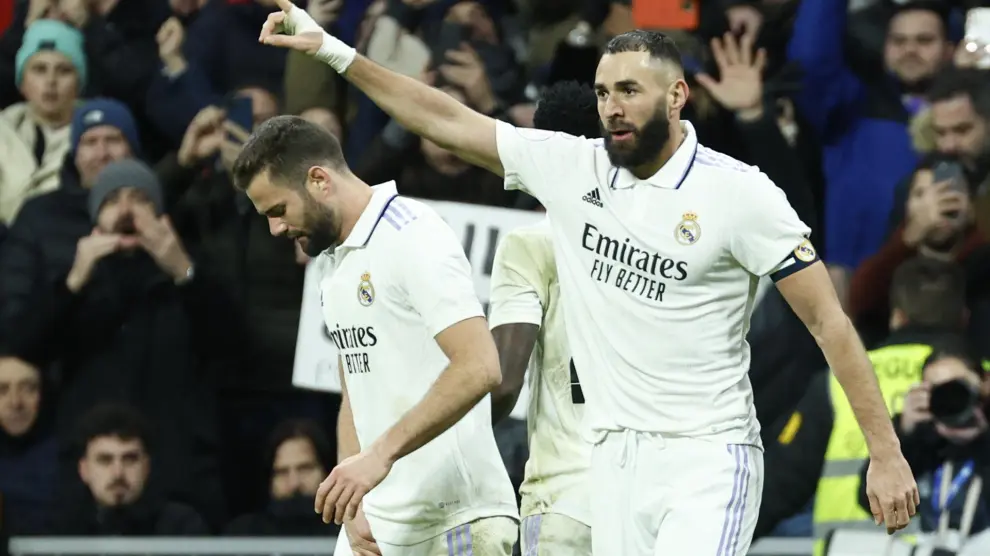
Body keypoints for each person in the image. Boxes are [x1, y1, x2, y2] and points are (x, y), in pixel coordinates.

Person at [257, 2, 919, 553]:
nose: (612, 107)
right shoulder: (571, 169)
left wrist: (885, 453)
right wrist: (333, 52)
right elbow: (445, 119)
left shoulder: (740, 195)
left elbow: (829, 324)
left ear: (677, 96)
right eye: (603, 92)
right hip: (611, 464)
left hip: (707, 458)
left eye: (630, 90)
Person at [229, 115, 518, 556]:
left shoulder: (413, 233)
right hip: (377, 523)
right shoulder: (330, 261)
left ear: (319, 180)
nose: (276, 229)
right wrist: (354, 499)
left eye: (278, 210)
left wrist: (378, 457)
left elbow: (480, 366)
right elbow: (354, 386)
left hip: (455, 519)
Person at [487, 80, 599, 556]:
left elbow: (502, 383)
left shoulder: (530, 244)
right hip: (650, 496)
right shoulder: (651, 242)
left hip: (565, 500)